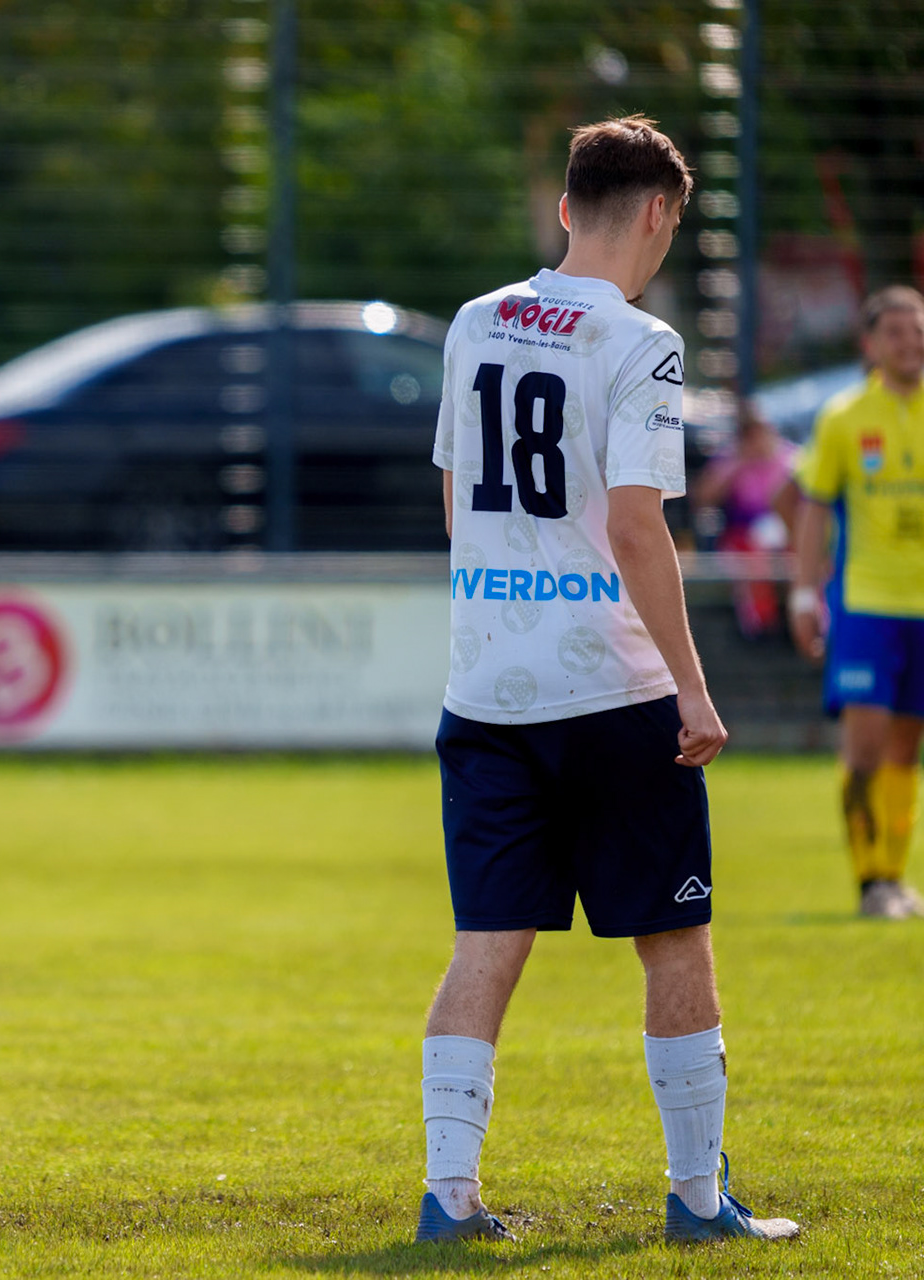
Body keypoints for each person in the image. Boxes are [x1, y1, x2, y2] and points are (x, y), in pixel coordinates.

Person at [419, 116, 797, 1245]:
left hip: (487, 689)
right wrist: (693, 684)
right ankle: (695, 1197)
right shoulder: (643, 341)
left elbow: (456, 501)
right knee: (673, 938)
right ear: (660, 215)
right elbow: (636, 527)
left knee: (487, 939)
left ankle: (449, 1198)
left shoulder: (476, 319)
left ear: (566, 206)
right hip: (613, 688)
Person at [789, 285, 924, 920]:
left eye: (917, 328)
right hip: (867, 605)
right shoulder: (843, 417)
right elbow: (812, 508)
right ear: (870, 345)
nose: (911, 340)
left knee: (905, 747)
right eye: (896, 331)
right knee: (866, 747)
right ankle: (870, 882)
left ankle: (893, 878)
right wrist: (801, 591)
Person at [694, 400, 795, 637]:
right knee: (751, 558)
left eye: (759, 431)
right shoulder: (731, 459)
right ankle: (760, 628)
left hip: (786, 532)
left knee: (802, 554)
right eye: (749, 433)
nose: (756, 439)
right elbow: (703, 498)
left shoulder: (791, 458)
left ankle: (804, 622)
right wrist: (738, 463)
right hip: (743, 536)